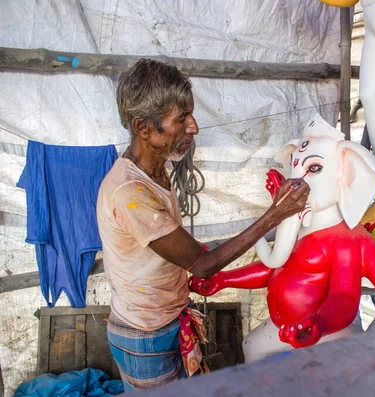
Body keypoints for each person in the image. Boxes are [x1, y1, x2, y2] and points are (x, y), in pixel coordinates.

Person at [96, 59, 309, 391]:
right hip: (147, 335)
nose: (193, 127)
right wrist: (275, 214)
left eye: (190, 115)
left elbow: (187, 256)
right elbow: (204, 265)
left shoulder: (155, 171)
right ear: (143, 127)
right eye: (181, 119)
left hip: (165, 320)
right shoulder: (130, 194)